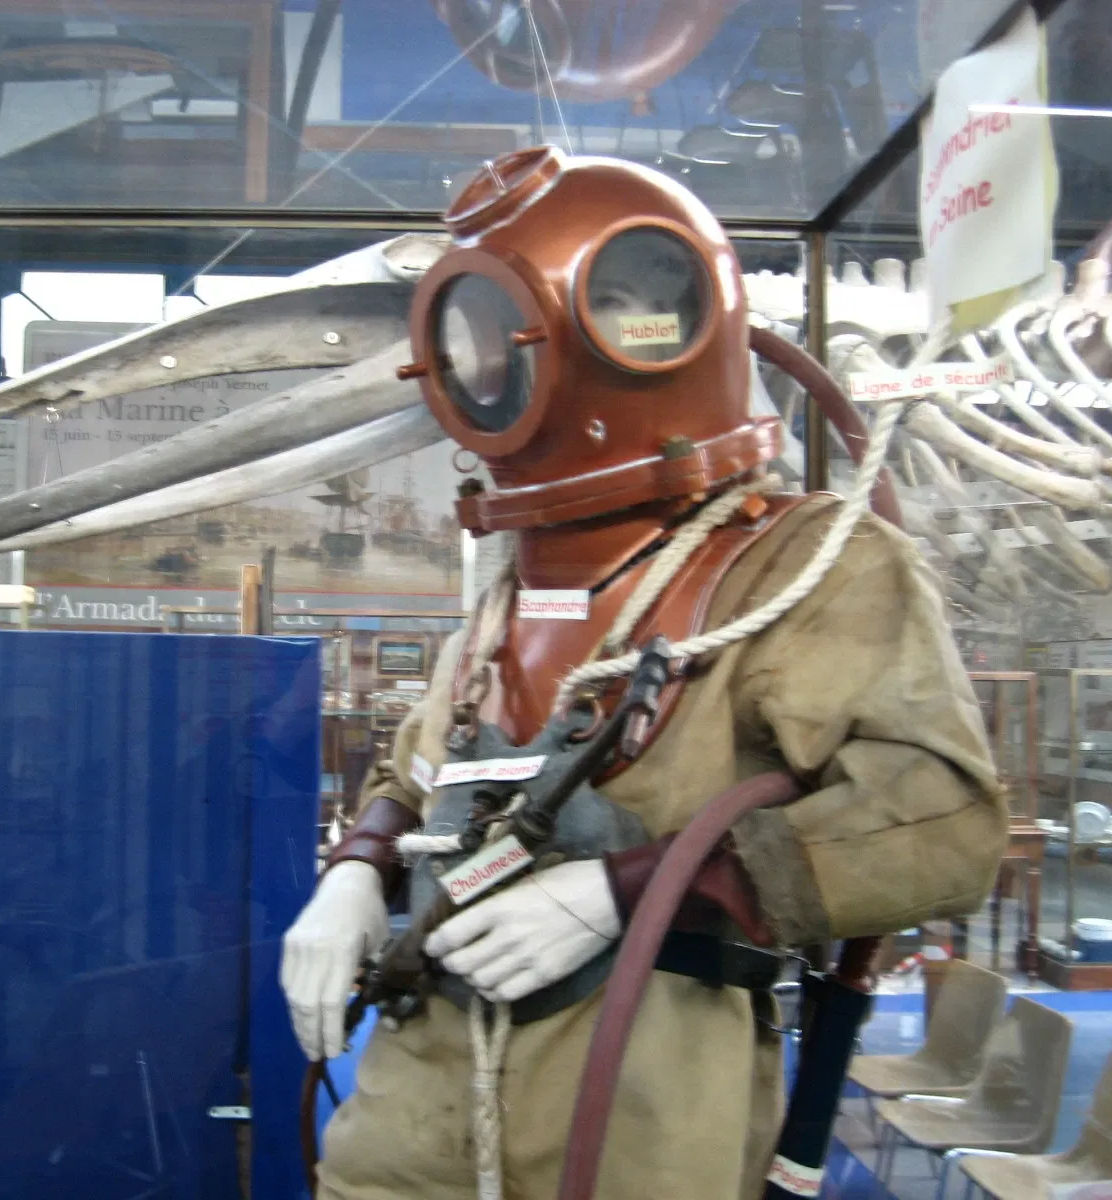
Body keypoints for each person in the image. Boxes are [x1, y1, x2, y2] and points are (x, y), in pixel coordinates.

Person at [281, 146, 1006, 1199]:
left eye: (635, 301)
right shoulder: (513, 596)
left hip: (640, 1115)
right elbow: (422, 770)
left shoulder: (800, 565)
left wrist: (624, 894)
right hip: (418, 1109)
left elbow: (941, 824)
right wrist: (360, 864)